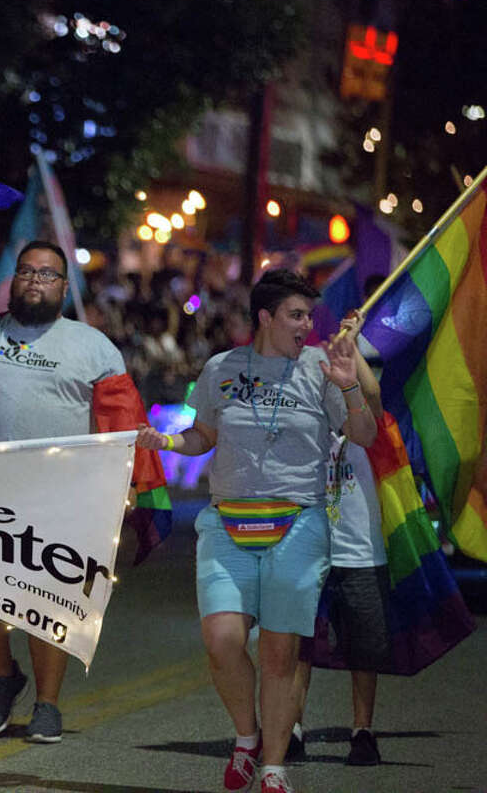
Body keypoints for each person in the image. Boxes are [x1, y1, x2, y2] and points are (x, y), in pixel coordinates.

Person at [0, 239, 161, 744]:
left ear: (64, 287)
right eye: (27, 272)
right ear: (14, 281)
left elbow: (122, 424)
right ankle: (4, 676)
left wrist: (131, 490)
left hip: (63, 498)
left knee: (50, 602)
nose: (35, 281)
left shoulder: (93, 346)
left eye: (47, 274)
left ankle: (47, 704)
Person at [136, 269, 376, 793]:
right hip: (227, 521)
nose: (307, 325)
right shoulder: (222, 367)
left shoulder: (319, 365)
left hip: (298, 522)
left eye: (310, 316)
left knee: (278, 652)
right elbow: (203, 436)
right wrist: (168, 443)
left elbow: (363, 433)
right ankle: (247, 737)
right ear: (265, 318)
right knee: (222, 640)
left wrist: (349, 383)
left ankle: (272, 766)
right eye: (296, 315)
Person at [291, 311, 389, 767]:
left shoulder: (360, 425)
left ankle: (362, 731)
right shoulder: (304, 426)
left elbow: (371, 394)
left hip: (358, 548)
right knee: (297, 643)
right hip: (308, 543)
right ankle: (292, 727)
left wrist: (355, 344)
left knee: (363, 647)